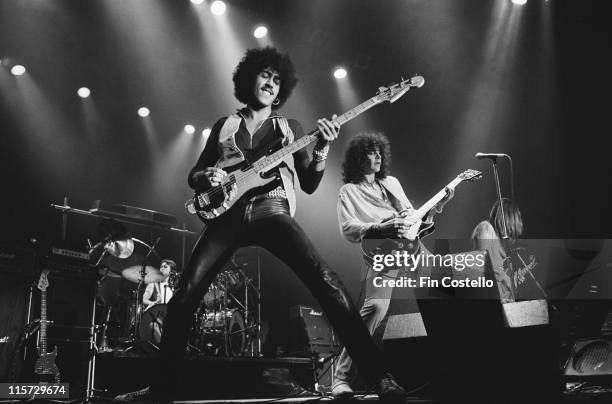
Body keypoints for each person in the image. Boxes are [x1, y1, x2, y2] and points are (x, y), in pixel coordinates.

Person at [150, 47, 405, 401]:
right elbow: (194, 175)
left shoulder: (290, 128)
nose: (270, 82)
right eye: (264, 75)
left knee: (328, 283)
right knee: (182, 298)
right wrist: (206, 176)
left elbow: (310, 183)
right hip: (228, 216)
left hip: (272, 209)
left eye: (276, 79)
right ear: (248, 78)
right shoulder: (224, 126)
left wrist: (322, 150)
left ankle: (381, 378)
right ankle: (159, 391)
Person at [332, 132, 452, 397]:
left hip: (412, 247)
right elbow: (348, 229)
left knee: (449, 285)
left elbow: (414, 221)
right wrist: (379, 226)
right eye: (370, 152)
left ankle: (457, 367)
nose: (377, 156)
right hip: (384, 251)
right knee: (375, 308)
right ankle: (340, 377)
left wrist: (437, 207)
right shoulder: (348, 191)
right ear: (358, 157)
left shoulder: (392, 183)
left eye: (379, 152)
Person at [471, 198, 524, 303]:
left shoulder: (505, 243)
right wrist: (507, 280)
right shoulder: (486, 229)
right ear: (510, 218)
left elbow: (505, 285)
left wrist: (514, 283)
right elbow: (485, 266)